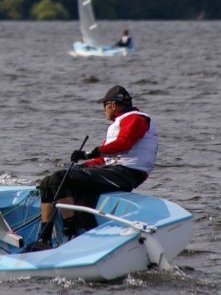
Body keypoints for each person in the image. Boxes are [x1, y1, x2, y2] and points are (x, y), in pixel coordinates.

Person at [35, 85, 158, 247]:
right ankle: (43, 239)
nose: (104, 110)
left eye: (104, 106)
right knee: (48, 182)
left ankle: (70, 233)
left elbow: (124, 144)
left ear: (112, 105)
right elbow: (105, 158)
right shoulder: (119, 124)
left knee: (59, 179)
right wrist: (83, 165)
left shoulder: (136, 118)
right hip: (114, 170)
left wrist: (91, 153)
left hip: (128, 173)